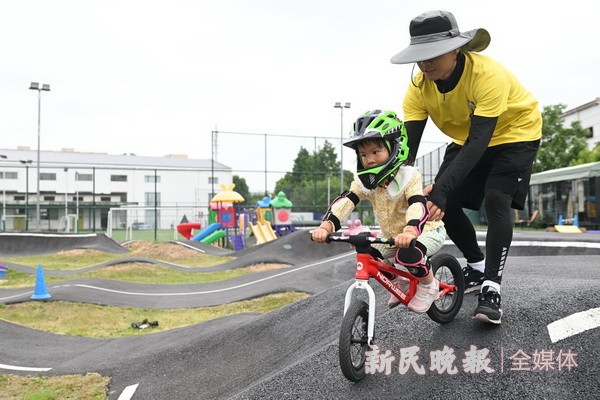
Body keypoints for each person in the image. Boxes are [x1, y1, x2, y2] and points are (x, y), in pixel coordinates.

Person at [390, 10, 542, 324]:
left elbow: (480, 140)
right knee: (446, 203)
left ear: (456, 49)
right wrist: (394, 187)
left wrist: (441, 190)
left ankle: (491, 287)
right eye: (420, 56)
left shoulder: (487, 76)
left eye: (433, 54)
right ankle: (475, 264)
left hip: (515, 134)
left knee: (495, 198)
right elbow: (409, 147)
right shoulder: (419, 87)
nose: (425, 63)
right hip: (467, 139)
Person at [312, 109, 447, 313]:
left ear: (395, 147)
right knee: (368, 252)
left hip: (425, 231)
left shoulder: (408, 176)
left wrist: (411, 230)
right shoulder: (366, 182)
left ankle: (429, 285)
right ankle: (400, 281)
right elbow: (347, 201)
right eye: (364, 154)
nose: (370, 159)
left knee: (407, 255)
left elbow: (417, 205)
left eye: (376, 152)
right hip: (393, 236)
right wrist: (326, 225)